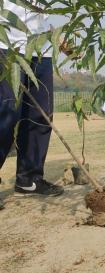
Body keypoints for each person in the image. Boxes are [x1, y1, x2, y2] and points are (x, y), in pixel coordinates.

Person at [0, 2, 65, 197]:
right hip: (5, 44)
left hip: (40, 51)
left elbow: (40, 17)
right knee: (7, 112)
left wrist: (58, 40)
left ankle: (29, 178)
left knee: (41, 115)